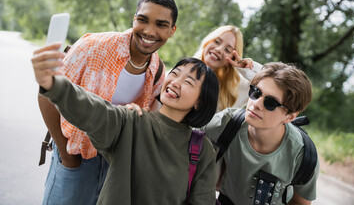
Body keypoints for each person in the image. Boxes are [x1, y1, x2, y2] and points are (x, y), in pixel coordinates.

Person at [37, 0, 177, 205]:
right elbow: (47, 94)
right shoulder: (92, 47)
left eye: (161, 24)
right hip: (76, 158)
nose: (149, 31)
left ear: (172, 31)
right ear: (134, 18)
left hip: (116, 167)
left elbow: (151, 120)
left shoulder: (158, 70)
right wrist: (66, 153)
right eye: (143, 20)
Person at [32, 48, 219, 204]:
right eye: (175, 73)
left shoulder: (202, 151)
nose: (175, 82)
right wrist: (54, 84)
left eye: (188, 82)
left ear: (200, 102)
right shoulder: (133, 121)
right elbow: (92, 110)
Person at [203, 62, 319, 205]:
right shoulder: (227, 123)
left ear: (290, 116)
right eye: (255, 92)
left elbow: (300, 202)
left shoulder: (304, 156)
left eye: (271, 103)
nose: (256, 103)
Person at [194, 25, 262, 111]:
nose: (219, 49)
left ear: (232, 60)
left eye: (227, 50)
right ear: (207, 41)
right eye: (217, 41)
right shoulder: (181, 70)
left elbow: (272, 83)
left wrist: (248, 70)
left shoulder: (237, 87)